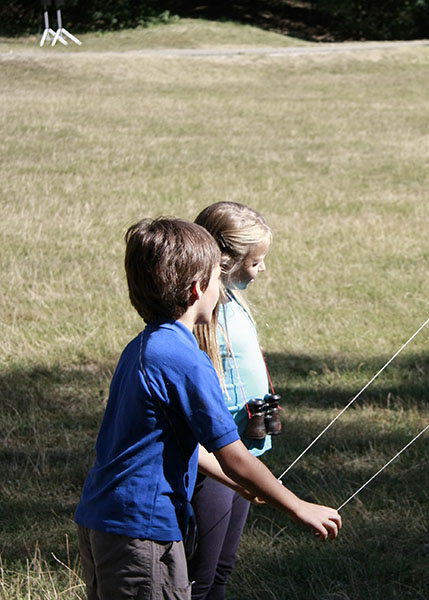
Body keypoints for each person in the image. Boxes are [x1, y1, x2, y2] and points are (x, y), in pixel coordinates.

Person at [75, 218, 341, 600]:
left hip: (103, 518)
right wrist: (298, 506)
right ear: (199, 288)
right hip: (144, 530)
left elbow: (168, 441)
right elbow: (233, 454)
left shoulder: (143, 347)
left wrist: (241, 487)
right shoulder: (185, 358)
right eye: (218, 277)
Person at [188, 203, 277, 599]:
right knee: (199, 577)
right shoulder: (204, 315)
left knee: (222, 569)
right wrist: (233, 475)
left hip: (242, 455)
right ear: (225, 261)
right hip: (217, 464)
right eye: (255, 261)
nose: (261, 270)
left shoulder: (234, 300)